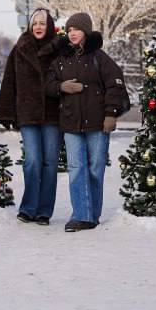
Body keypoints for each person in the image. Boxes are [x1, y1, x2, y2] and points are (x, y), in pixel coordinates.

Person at [46, 12, 128, 232]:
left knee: (94, 168)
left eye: (76, 29)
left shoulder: (99, 58)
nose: (72, 33)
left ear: (86, 32)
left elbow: (116, 84)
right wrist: (61, 87)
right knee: (75, 168)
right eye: (69, 30)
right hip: (71, 123)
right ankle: (81, 215)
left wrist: (111, 114)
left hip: (98, 123)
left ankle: (92, 215)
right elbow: (48, 83)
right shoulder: (61, 59)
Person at [0, 8, 64, 225]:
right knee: (33, 161)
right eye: (35, 23)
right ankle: (28, 208)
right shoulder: (20, 49)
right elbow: (9, 82)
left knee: (50, 162)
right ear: (30, 26)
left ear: (49, 26)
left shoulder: (59, 50)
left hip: (53, 114)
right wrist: (6, 112)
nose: (38, 27)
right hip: (28, 112)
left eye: (43, 23)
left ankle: (44, 211)